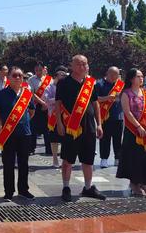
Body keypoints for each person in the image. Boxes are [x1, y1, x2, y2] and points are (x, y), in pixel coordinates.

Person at [56, 55, 105, 202]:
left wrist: (99, 124)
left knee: (88, 159)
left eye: (85, 64)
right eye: (79, 64)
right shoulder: (64, 82)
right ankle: (66, 187)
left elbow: (96, 104)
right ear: (72, 65)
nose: (83, 67)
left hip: (89, 126)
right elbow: (58, 104)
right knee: (68, 159)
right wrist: (58, 123)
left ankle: (88, 188)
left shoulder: (90, 83)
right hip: (71, 126)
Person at [0, 66, 35, 201]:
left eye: (20, 76)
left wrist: (23, 121)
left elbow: (32, 111)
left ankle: (23, 190)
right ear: (8, 78)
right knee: (8, 163)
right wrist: (1, 123)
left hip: (25, 134)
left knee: (24, 163)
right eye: (14, 75)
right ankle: (9, 192)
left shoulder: (27, 94)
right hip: (8, 134)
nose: (17, 78)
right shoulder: (2, 94)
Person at [116, 68, 146, 196]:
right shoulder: (126, 93)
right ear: (131, 79)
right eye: (138, 76)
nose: (141, 79)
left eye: (142, 76)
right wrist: (138, 126)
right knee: (134, 157)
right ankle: (134, 183)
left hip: (145, 130)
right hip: (132, 130)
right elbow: (127, 112)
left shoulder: (145, 93)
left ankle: (144, 182)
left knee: (145, 157)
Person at [96, 66, 124, 168]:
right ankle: (104, 159)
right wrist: (108, 98)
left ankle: (118, 158)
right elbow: (96, 99)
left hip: (118, 116)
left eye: (116, 75)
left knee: (118, 139)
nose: (113, 77)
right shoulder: (99, 84)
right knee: (105, 139)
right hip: (105, 117)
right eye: (111, 74)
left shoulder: (120, 85)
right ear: (107, 73)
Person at [43, 66, 68, 168]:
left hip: (65, 116)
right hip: (53, 116)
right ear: (56, 76)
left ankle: (64, 158)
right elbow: (46, 100)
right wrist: (58, 100)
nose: (63, 77)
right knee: (54, 139)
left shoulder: (67, 86)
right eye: (61, 75)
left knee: (65, 139)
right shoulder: (49, 87)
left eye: (64, 75)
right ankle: (54, 158)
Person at [28, 62, 52, 155]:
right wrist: (42, 103)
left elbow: (52, 92)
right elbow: (32, 93)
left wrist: (47, 104)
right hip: (36, 106)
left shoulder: (49, 79)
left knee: (47, 128)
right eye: (36, 70)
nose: (38, 72)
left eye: (40, 70)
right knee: (33, 128)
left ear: (44, 69)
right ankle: (31, 148)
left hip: (47, 106)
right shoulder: (31, 80)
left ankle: (49, 149)